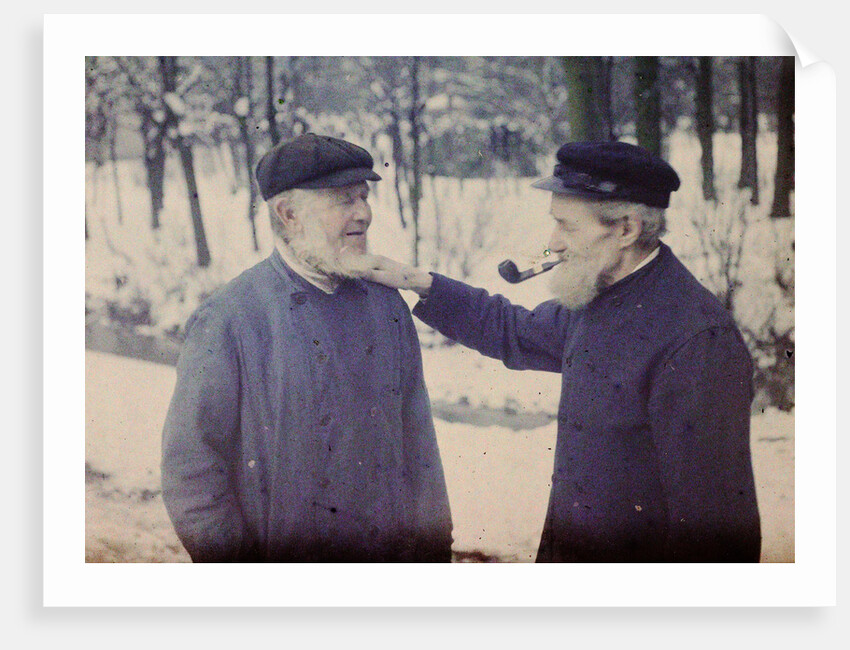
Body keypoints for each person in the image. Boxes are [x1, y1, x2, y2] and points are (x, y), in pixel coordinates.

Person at [357, 141, 762, 562]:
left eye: (567, 227)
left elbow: (717, 531)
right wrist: (420, 283)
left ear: (626, 230)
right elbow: (514, 330)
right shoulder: (600, 295)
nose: (554, 242)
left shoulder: (696, 340)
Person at [161, 133, 453, 563]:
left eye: (364, 196)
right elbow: (191, 470)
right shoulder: (229, 318)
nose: (364, 214)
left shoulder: (387, 304)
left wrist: (433, 555)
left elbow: (419, 445)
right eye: (344, 200)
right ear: (288, 213)